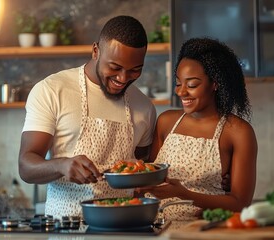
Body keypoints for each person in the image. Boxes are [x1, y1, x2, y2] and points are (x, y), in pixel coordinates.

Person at [18, 15, 157, 219]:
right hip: (67, 227)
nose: (123, 78)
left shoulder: (144, 106)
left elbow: (143, 166)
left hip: (126, 227)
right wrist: (62, 165)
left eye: (135, 70)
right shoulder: (52, 90)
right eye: (115, 67)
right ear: (95, 51)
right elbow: (26, 166)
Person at [139, 37, 257, 220]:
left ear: (215, 83)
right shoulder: (166, 122)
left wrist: (185, 194)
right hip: (156, 228)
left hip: (202, 232)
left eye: (192, 84)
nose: (181, 92)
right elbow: (149, 177)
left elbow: (240, 203)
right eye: (178, 83)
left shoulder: (237, 132)